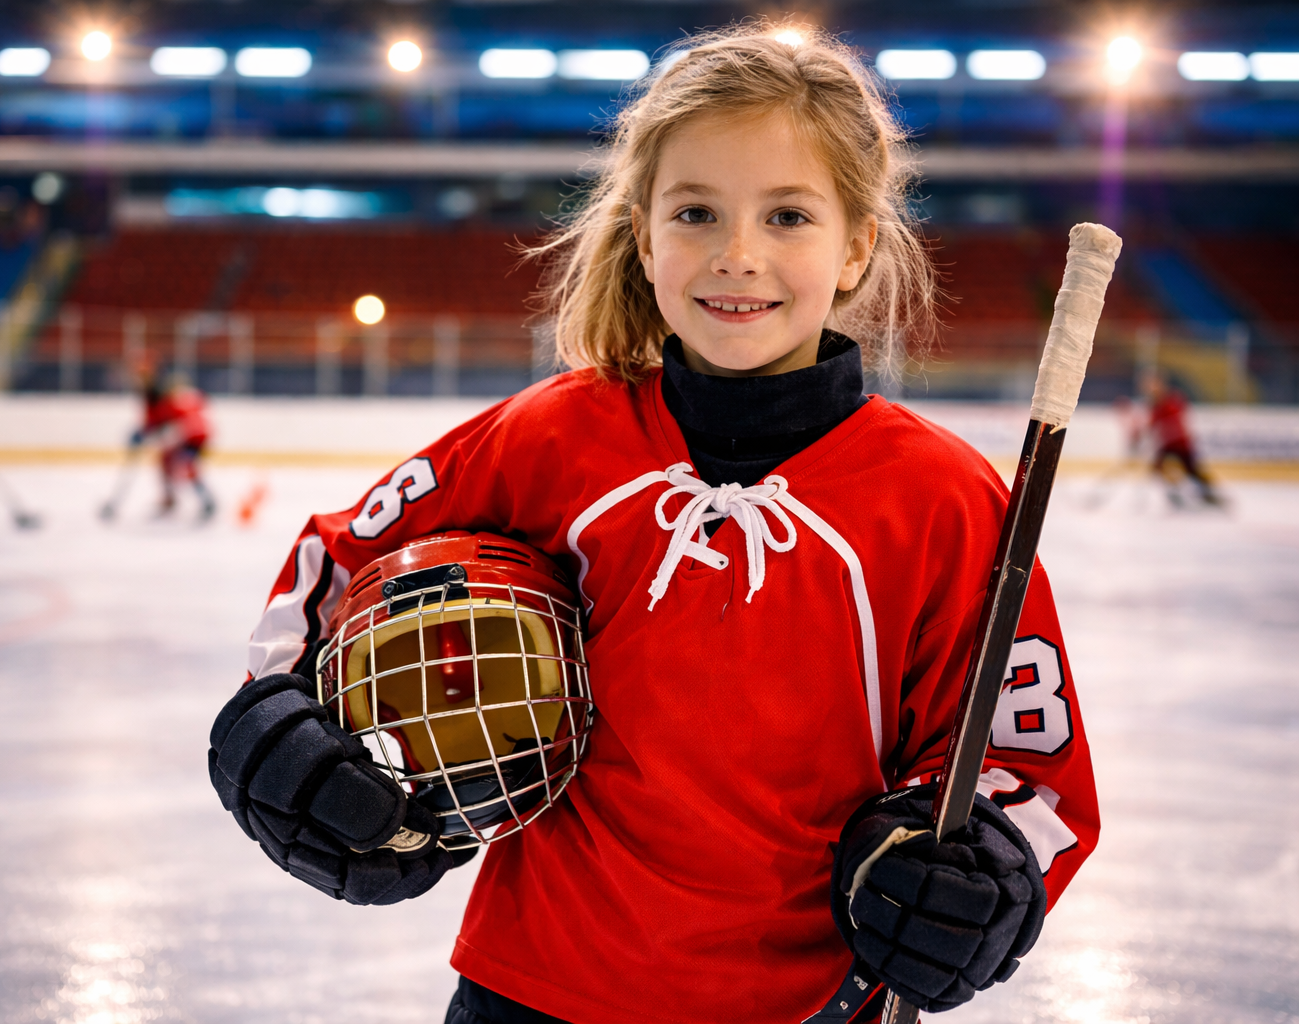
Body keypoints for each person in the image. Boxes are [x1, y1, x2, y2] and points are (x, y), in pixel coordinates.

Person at [207, 25, 1099, 1024]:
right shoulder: (550, 438)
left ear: (856, 247)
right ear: (643, 236)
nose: (738, 255)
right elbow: (337, 562)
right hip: (530, 988)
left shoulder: (943, 498)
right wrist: (278, 720)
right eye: (695, 212)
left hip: (805, 1005)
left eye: (789, 216)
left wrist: (984, 871)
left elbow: (1026, 761)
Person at [132, 374, 215, 520]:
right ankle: (187, 499)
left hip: (192, 438)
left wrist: (144, 432)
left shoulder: (171, 403)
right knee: (170, 462)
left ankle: (204, 500)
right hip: (194, 438)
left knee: (183, 466)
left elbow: (163, 421)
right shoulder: (182, 399)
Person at [1139, 371, 1220, 506]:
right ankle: (1174, 492)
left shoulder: (1172, 399)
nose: (1150, 388)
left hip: (1181, 443)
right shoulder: (1153, 404)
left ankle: (1209, 495)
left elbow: (1176, 416)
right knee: (1158, 468)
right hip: (1167, 445)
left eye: (1153, 384)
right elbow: (1152, 425)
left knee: (1192, 470)